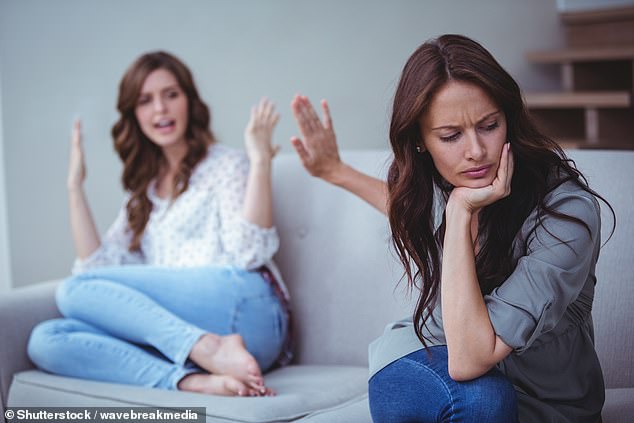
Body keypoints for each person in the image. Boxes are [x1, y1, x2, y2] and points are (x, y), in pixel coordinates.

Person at [290, 34, 614, 422]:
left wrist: (459, 212)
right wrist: (336, 172)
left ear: (509, 119)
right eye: (451, 136)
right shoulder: (446, 187)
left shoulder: (566, 213)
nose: (475, 150)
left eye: (488, 125)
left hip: (544, 402)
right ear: (421, 142)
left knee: (487, 400)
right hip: (426, 358)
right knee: (482, 400)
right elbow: (404, 206)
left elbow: (471, 359)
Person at [27, 51, 290, 397]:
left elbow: (249, 253)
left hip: (250, 310)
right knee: (46, 340)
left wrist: (259, 163)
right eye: (145, 101)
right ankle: (190, 380)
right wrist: (75, 188)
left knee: (72, 290)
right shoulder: (143, 192)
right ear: (133, 115)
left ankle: (207, 348)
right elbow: (97, 268)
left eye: (171, 95)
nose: (160, 110)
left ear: (189, 102)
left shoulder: (225, 164)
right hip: (190, 334)